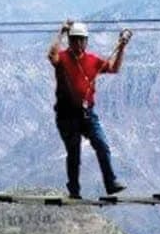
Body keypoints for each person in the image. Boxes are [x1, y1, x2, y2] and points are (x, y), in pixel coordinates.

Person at [48, 20, 131, 199]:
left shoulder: (93, 60)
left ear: (86, 41)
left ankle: (110, 183)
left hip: (87, 114)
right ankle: (74, 190)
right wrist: (61, 33)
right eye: (75, 39)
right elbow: (51, 56)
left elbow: (114, 68)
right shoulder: (63, 58)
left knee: (102, 144)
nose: (79, 43)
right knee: (74, 153)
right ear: (70, 40)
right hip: (66, 115)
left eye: (82, 40)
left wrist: (122, 48)